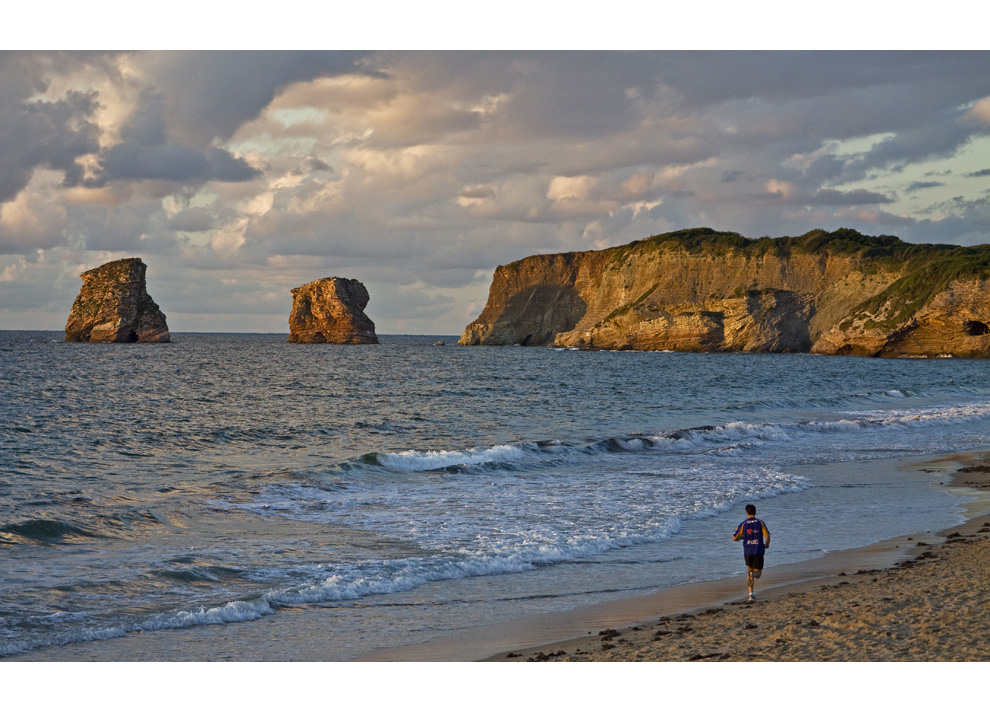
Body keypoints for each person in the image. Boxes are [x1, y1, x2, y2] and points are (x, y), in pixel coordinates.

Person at [732, 504, 770, 602]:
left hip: (748, 551)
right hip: (758, 550)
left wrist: (742, 537)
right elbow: (767, 536)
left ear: (747, 513)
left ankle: (751, 595)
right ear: (755, 512)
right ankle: (752, 576)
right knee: (758, 574)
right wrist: (767, 544)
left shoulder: (743, 524)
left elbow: (734, 538)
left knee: (749, 571)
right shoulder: (760, 522)